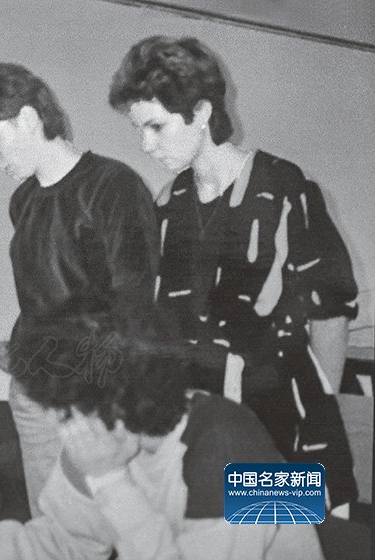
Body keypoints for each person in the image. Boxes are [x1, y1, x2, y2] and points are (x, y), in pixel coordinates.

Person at [107, 35, 359, 514]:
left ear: (202, 112)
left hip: (281, 426)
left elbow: (330, 313)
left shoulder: (282, 188)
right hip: (199, 427)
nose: (145, 145)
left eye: (157, 127)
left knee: (269, 533)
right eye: (139, 129)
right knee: (206, 533)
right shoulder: (169, 203)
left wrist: (318, 415)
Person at [0, 314, 324, 560]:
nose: (69, 429)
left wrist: (110, 482)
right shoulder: (96, 437)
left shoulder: (233, 440)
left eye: (73, 411)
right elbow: (63, 544)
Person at [0, 62, 159, 515]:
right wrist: (20, 347)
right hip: (35, 396)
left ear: (28, 118)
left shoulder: (113, 185)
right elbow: (45, 294)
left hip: (94, 393)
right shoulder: (23, 201)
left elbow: (134, 304)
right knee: (51, 527)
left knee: (108, 525)